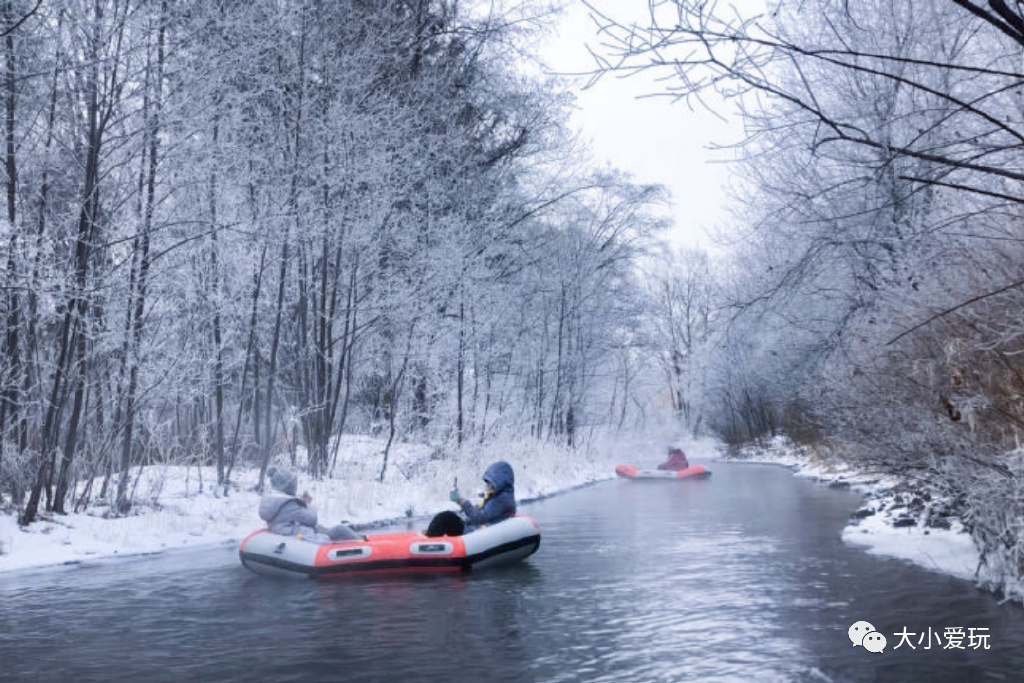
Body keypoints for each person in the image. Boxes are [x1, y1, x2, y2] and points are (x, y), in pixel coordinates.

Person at [258, 466, 360, 542]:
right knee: (340, 530)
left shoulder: (274, 502)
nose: (296, 486)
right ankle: (362, 544)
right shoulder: (289, 505)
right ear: (287, 486)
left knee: (332, 530)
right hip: (301, 536)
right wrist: (307, 503)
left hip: (288, 532)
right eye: (294, 484)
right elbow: (312, 519)